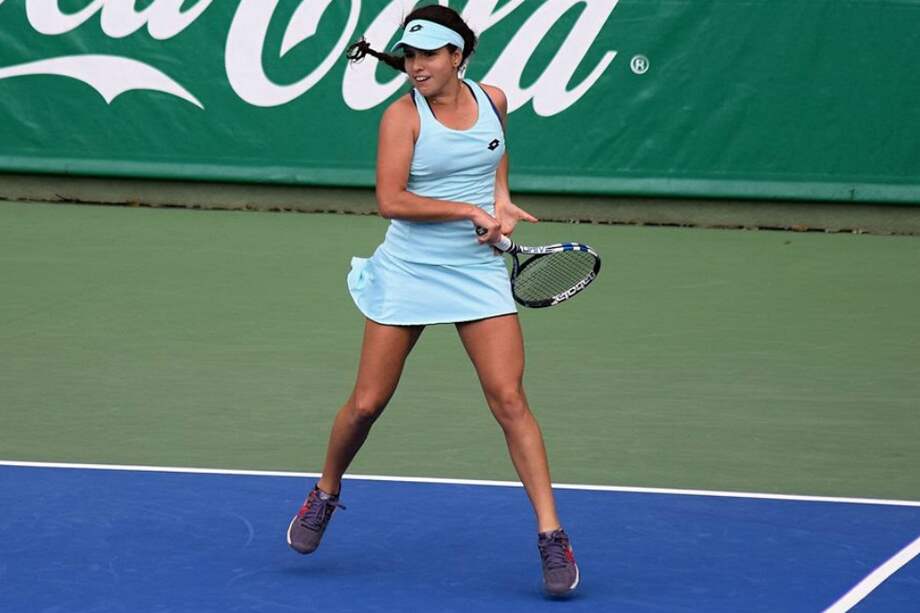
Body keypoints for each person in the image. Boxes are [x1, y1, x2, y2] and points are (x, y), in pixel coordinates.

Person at [286, 5, 579, 596]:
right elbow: (391, 199)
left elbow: (493, 156)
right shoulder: (401, 118)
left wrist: (500, 202)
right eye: (410, 55)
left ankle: (551, 534)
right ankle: (326, 490)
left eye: (428, 55)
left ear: (457, 57)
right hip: (410, 270)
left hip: (477, 268)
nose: (416, 65)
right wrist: (465, 210)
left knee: (509, 399)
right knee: (367, 404)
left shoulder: (493, 99)